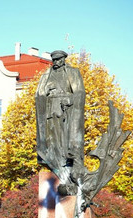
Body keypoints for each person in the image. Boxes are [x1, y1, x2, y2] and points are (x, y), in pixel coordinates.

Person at [35, 50, 86, 194]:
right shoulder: (47, 74)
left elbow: (80, 92)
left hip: (67, 112)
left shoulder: (72, 72)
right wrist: (46, 89)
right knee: (53, 140)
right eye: (54, 60)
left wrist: (69, 99)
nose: (56, 62)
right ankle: (56, 161)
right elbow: (39, 93)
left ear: (64, 59)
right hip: (51, 110)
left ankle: (67, 163)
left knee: (65, 139)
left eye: (58, 59)